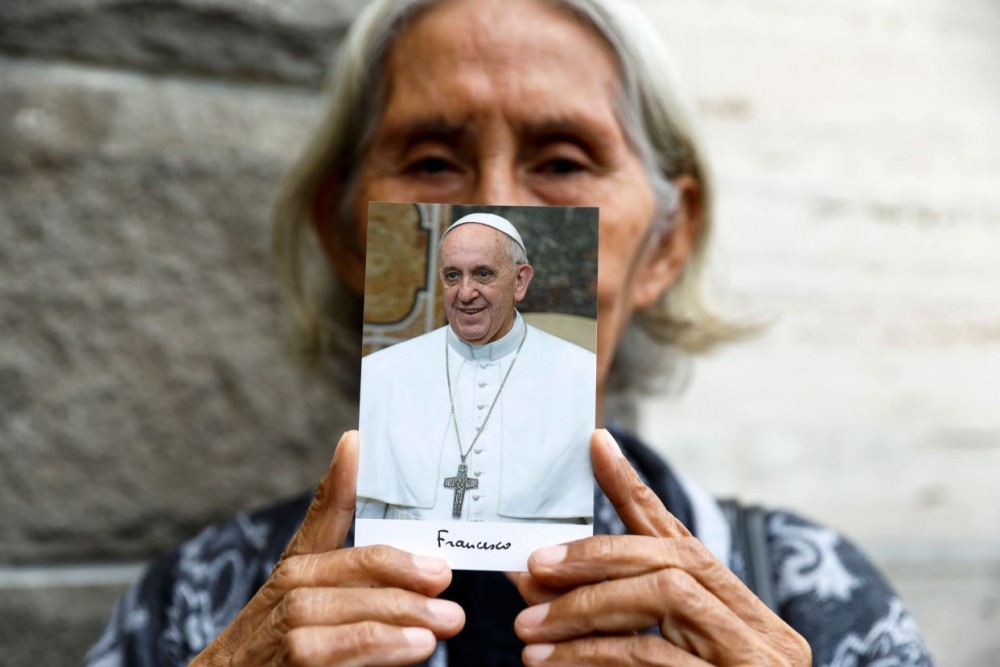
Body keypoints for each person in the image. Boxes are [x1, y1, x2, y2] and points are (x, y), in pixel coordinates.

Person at [84, 0, 934, 665]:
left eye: (562, 161)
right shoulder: (197, 604)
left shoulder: (812, 595)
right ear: (345, 231)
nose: (494, 213)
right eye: (431, 161)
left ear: (665, 242)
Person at [357, 212, 596, 523]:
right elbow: (364, 518)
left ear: (520, 281)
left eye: (483, 274)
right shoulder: (381, 373)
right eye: (452, 276)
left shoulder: (581, 375)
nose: (465, 293)